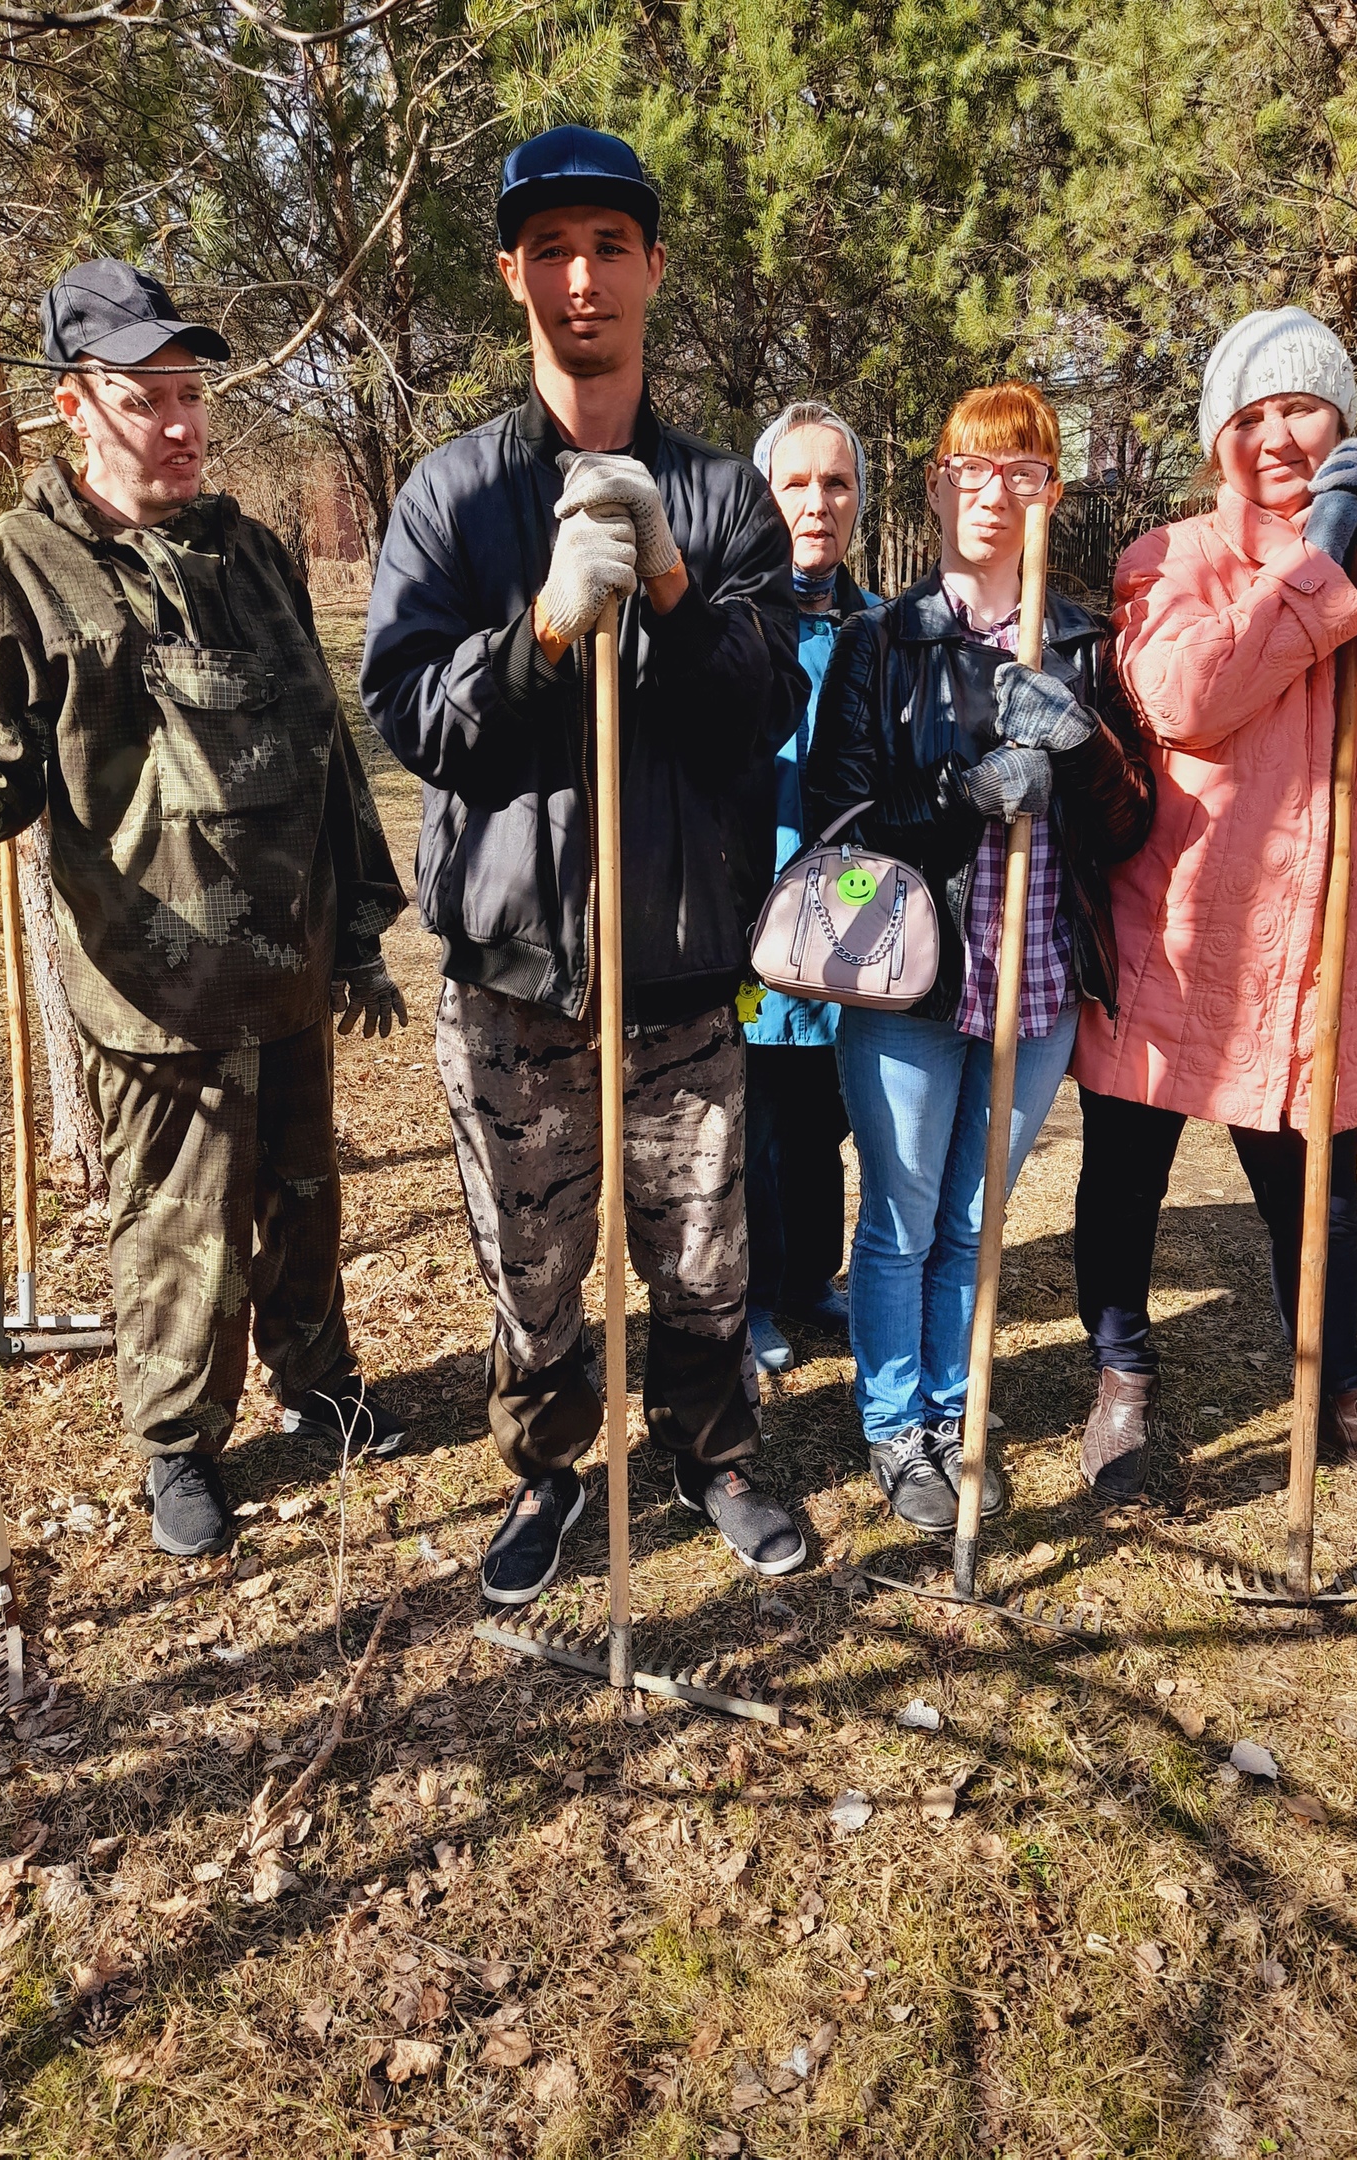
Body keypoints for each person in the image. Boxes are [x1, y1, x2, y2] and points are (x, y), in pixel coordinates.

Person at [0, 260, 410, 1560]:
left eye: (190, 392)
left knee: (302, 1200)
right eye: (145, 396)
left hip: (288, 973)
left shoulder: (252, 555)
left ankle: (320, 1386)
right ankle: (180, 1441)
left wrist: (357, 932)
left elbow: (327, 751)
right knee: (180, 1227)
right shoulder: (31, 566)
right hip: (153, 995)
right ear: (77, 407)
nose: (180, 422)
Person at [360, 126, 810, 1602]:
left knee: (701, 1256)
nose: (581, 276)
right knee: (534, 1275)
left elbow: (757, 709)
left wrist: (672, 586)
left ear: (653, 266)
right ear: (511, 274)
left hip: (680, 970)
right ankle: (550, 1472)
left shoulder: (730, 495)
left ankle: (711, 1451)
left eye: (610, 246)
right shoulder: (454, 498)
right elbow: (419, 720)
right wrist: (542, 631)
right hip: (515, 976)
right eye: (549, 248)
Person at [1071, 306, 1357, 1505]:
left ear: (1345, 422)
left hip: (1316, 958)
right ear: (1217, 442)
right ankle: (1122, 1374)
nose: (1276, 436)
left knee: (1322, 1191)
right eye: (1249, 417)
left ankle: (1341, 1394)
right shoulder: (1171, 557)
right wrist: (1317, 566)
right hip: (1181, 940)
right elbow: (1186, 694)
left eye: (1302, 408)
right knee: (1123, 1176)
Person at [805, 381, 1154, 1532]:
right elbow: (841, 825)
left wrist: (1088, 745)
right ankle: (897, 1429)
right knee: (900, 1222)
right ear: (939, 486)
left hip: (1039, 984)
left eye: (1022, 470)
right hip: (913, 984)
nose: (994, 490)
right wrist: (963, 794)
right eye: (971, 466)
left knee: (974, 1221)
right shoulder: (884, 642)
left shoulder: (1088, 644)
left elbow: (1135, 820)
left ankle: (956, 1412)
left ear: (1052, 492)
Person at [741, 402, 877, 1376]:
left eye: (835, 483)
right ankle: (745, 1294)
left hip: (849, 918)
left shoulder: (878, 630)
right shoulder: (733, 621)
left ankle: (805, 1280)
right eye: (796, 482)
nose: (816, 502)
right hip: (749, 919)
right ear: (765, 494)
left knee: (824, 1109)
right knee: (750, 1107)